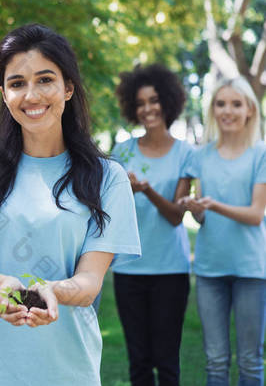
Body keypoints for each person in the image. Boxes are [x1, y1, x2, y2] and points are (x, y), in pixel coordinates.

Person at [0, 24, 141, 386]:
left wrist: (52, 292)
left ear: (68, 87)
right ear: (4, 94)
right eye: (16, 83)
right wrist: (6, 284)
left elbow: (89, 282)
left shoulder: (109, 178)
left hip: (65, 371)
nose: (31, 95)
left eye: (45, 80)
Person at [179, 76, 265, 386]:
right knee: (215, 362)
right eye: (221, 104)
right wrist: (198, 210)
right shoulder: (200, 156)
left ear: (250, 111)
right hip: (210, 269)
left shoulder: (261, 154)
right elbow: (203, 216)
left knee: (250, 361)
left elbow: (256, 215)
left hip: (251, 270)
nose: (227, 111)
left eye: (236, 104)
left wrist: (214, 206)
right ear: (213, 110)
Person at [111, 64, 193, 386]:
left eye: (154, 100)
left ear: (168, 102)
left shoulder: (186, 153)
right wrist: (124, 193)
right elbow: (108, 213)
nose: (148, 109)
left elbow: (175, 216)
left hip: (170, 271)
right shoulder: (121, 153)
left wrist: (147, 190)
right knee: (139, 362)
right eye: (141, 102)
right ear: (133, 107)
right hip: (129, 270)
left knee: (167, 361)